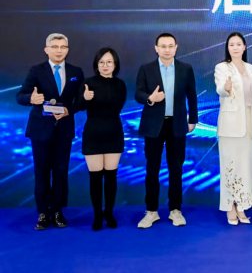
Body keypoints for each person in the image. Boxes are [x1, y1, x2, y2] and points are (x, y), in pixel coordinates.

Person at [16, 33, 85, 230]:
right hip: (40, 130)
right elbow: (20, 96)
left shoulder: (76, 72)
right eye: (54, 47)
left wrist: (69, 110)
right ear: (46, 49)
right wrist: (31, 99)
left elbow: (81, 101)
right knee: (42, 172)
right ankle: (43, 213)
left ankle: (57, 211)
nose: (59, 50)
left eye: (63, 47)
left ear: (67, 50)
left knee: (61, 172)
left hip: (64, 130)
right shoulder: (36, 70)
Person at [135, 33, 198, 229]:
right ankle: (151, 211)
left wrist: (193, 119)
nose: (167, 49)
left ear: (176, 47)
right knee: (152, 169)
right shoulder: (146, 69)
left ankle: (175, 210)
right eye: (163, 46)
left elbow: (192, 95)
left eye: (171, 46)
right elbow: (138, 93)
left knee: (176, 168)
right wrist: (150, 98)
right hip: (153, 125)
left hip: (177, 124)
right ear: (156, 48)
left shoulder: (185, 69)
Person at [214, 32, 252, 225]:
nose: (235, 47)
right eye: (231, 44)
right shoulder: (221, 67)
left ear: (244, 47)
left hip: (249, 125)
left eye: (238, 44)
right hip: (230, 125)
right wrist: (226, 88)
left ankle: (242, 205)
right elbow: (220, 89)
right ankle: (230, 207)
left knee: (245, 166)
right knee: (230, 166)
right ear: (227, 48)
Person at [79, 47, 127, 231]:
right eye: (101, 62)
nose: (105, 65)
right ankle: (97, 215)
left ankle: (109, 213)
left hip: (113, 132)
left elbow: (116, 107)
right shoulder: (88, 83)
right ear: (96, 64)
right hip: (93, 133)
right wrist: (85, 98)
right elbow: (77, 106)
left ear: (115, 65)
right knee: (95, 178)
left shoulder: (120, 84)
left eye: (109, 62)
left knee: (111, 177)